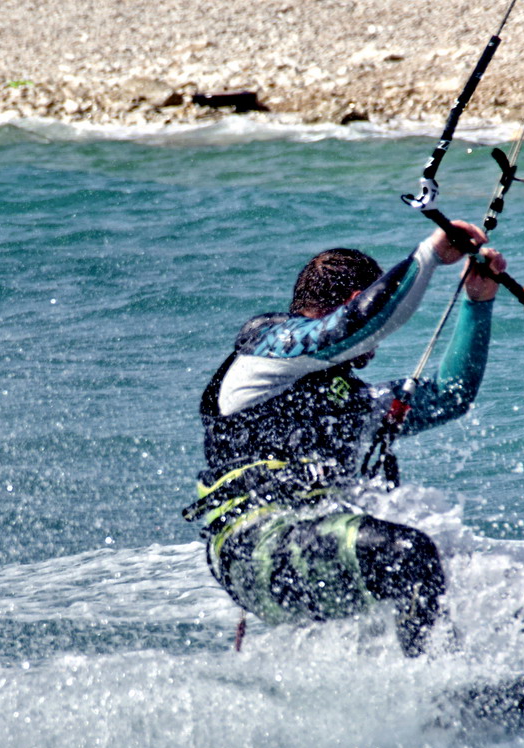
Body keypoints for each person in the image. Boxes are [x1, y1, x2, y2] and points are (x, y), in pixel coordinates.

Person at [184, 220, 506, 657]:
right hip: (251, 551)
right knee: (408, 553)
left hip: (313, 548)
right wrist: (430, 255)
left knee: (477, 570)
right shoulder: (263, 354)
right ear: (356, 299)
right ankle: (436, 693)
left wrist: (477, 302)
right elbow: (354, 326)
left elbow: (451, 396)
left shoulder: (351, 402)